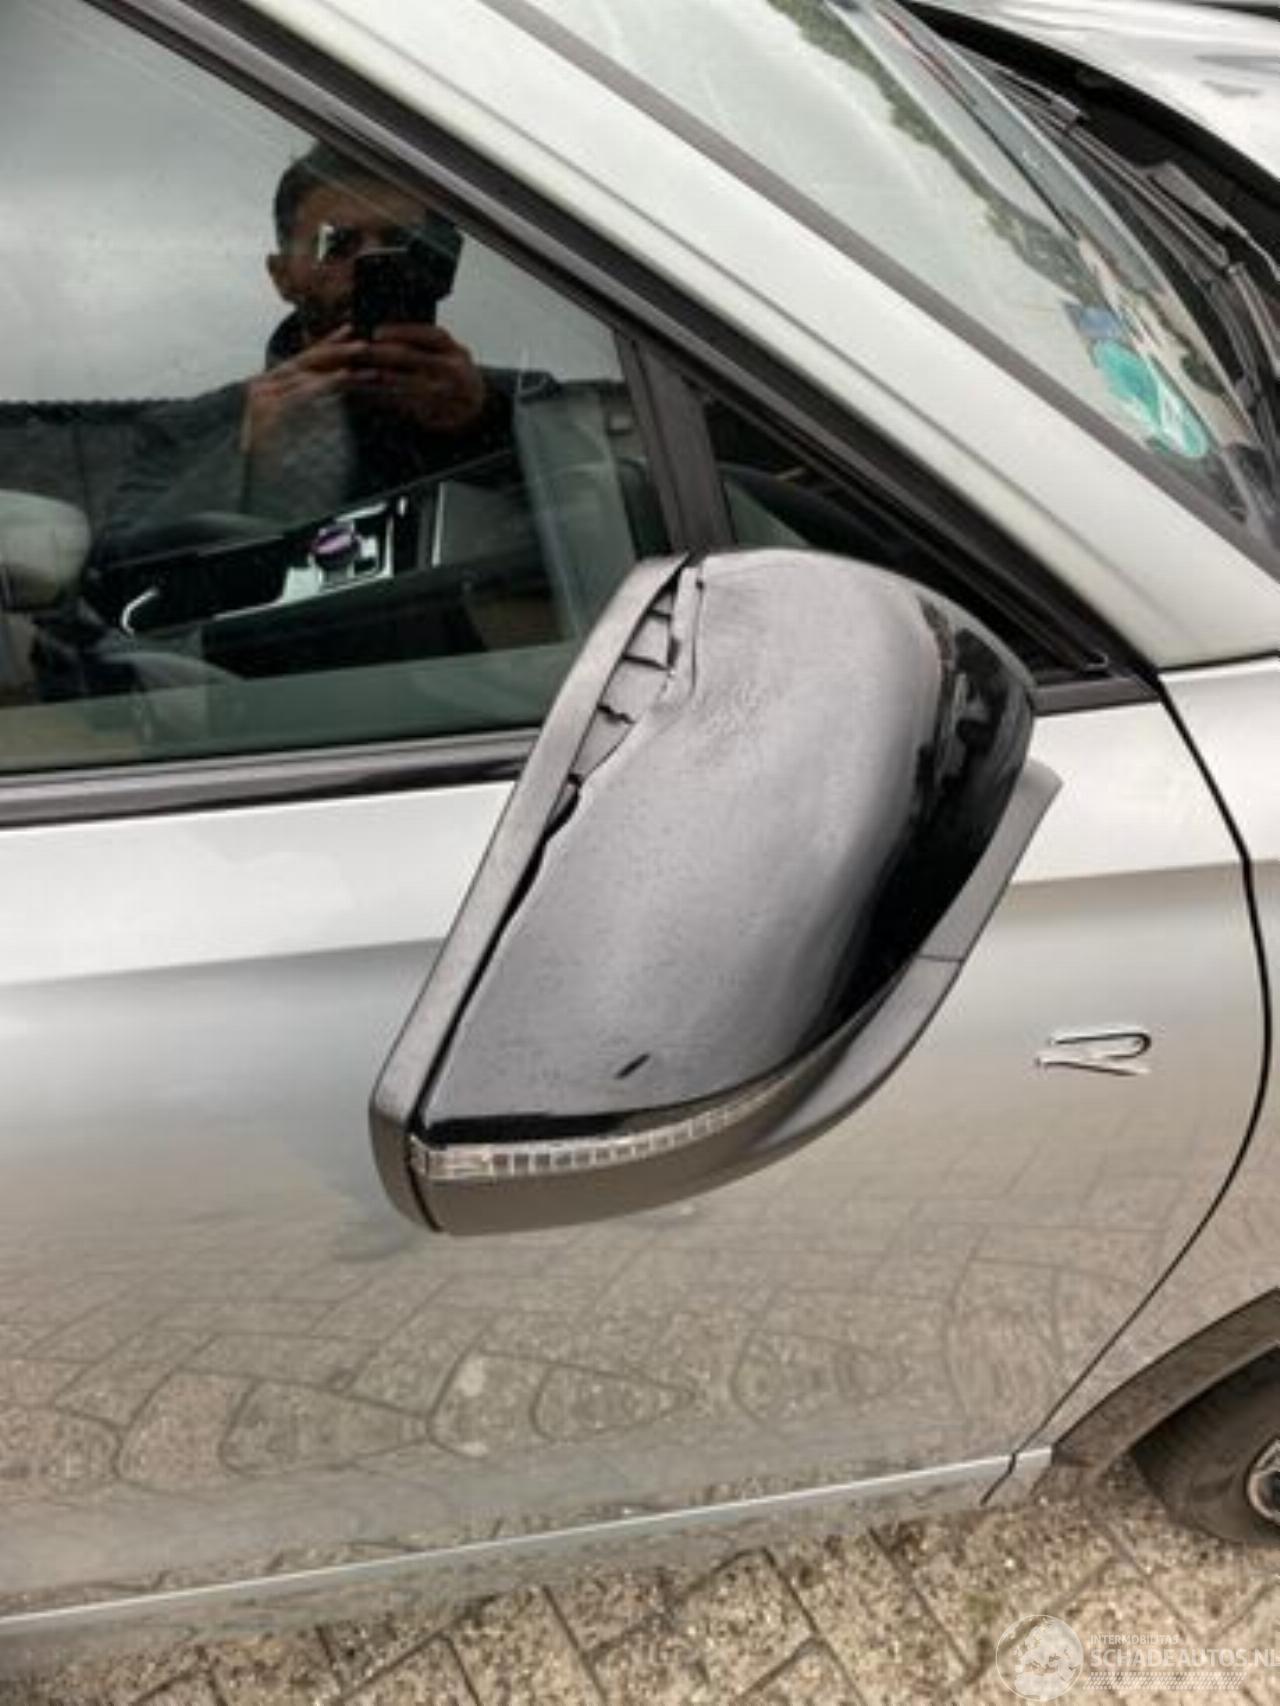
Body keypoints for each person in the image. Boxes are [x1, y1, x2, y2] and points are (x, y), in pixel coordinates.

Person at [91, 144, 511, 605]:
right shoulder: (187, 432)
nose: (367, 262)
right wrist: (245, 460)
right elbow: (114, 593)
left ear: (439, 266)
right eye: (338, 244)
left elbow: (565, 536)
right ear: (282, 275)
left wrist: (482, 424)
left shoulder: (518, 406)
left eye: (400, 242)